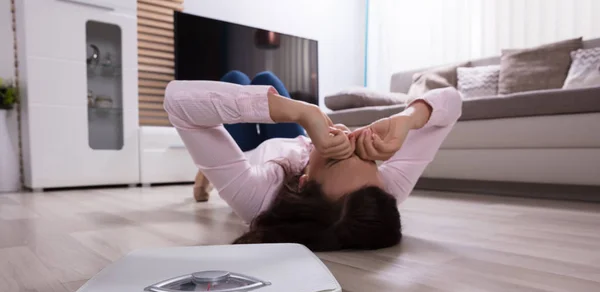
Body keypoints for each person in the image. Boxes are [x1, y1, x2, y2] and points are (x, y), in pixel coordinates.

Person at [164, 74, 462, 251]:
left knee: (235, 80)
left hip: (253, 151)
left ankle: (205, 171)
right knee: (266, 79)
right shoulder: (386, 191)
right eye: (367, 159)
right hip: (298, 141)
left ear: (303, 182)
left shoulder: (257, 198)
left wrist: (301, 112)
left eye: (335, 158)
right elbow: (452, 99)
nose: (349, 139)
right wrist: (406, 120)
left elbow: (178, 101)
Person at [193, 70, 306, 201]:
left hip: (249, 161)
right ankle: (209, 165)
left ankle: (208, 166)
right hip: (296, 151)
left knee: (234, 79)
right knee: (265, 79)